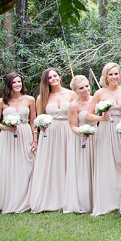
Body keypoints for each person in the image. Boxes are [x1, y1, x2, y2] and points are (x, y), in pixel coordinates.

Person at [30, 67, 77, 212]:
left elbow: (79, 111)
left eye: (55, 76)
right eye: (50, 78)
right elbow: (38, 119)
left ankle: (69, 197)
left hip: (68, 130)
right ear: (46, 81)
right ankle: (51, 198)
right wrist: (36, 139)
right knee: (52, 164)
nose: (53, 79)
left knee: (68, 161)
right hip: (50, 134)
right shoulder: (42, 97)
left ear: (60, 76)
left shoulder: (71, 94)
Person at [0, 72, 36, 214]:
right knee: (9, 167)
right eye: (14, 82)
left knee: (26, 165)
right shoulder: (1, 102)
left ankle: (26, 200)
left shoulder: (30, 99)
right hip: (8, 137)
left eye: (19, 82)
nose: (17, 85)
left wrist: (35, 139)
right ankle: (9, 200)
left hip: (25, 134)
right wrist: (7, 127)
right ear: (9, 84)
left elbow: (33, 121)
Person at [88, 62, 121, 216]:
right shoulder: (99, 93)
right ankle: (108, 201)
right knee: (107, 165)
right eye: (110, 74)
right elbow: (88, 114)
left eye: (116, 74)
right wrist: (101, 117)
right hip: (105, 130)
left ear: (120, 75)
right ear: (105, 76)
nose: (114, 77)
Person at [63, 75, 94, 214]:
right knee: (83, 167)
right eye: (81, 88)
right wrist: (82, 132)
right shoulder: (73, 105)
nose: (86, 89)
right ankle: (83, 200)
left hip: (96, 137)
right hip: (80, 138)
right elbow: (73, 125)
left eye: (87, 86)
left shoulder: (95, 100)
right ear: (75, 90)